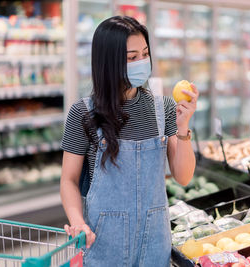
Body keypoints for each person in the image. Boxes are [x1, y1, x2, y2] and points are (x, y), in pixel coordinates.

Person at [60, 16, 198, 266]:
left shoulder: (163, 108)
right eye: (132, 57)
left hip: (155, 243)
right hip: (103, 243)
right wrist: (77, 221)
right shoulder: (83, 113)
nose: (142, 63)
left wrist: (183, 127)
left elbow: (184, 176)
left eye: (145, 54)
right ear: (108, 62)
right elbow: (68, 180)